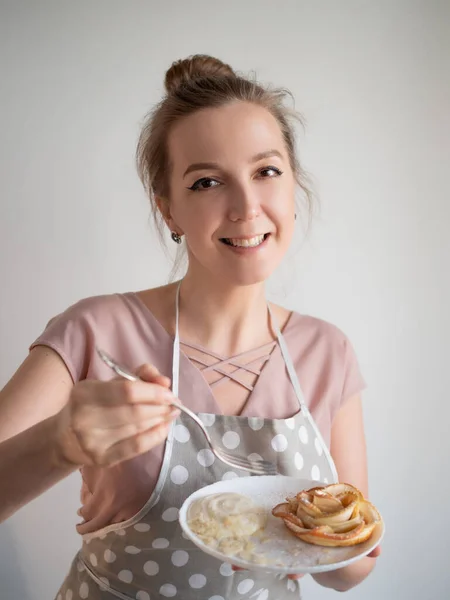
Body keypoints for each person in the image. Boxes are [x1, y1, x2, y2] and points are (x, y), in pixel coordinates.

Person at [0, 54, 380, 600]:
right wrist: (58, 444)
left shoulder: (327, 352)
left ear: (293, 186)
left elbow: (349, 571)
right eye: (206, 182)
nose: (246, 206)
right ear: (169, 211)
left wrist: (339, 545)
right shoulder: (96, 330)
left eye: (266, 172)